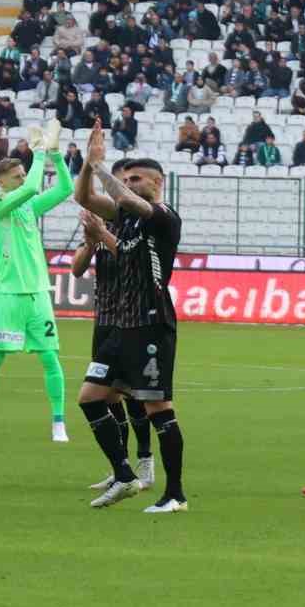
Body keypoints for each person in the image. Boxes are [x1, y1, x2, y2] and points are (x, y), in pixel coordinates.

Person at [71, 128, 188, 512]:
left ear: (157, 182)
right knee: (91, 398)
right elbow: (84, 198)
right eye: (126, 178)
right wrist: (88, 165)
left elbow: (123, 200)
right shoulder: (127, 218)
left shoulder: (164, 217)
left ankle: (175, 494)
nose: (128, 183)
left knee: (158, 409)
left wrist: (100, 165)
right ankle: (124, 475)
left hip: (151, 324)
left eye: (136, 178)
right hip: (121, 327)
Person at [0, 119, 73, 444]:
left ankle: (58, 423)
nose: (23, 180)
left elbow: (66, 189)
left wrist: (55, 155)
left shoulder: (27, 206)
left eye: (24, 174)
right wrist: (38, 154)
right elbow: (30, 189)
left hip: (37, 294)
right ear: (1, 182)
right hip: (7, 294)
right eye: (17, 176)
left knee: (50, 358)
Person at [71, 158, 154, 493]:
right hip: (104, 318)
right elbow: (77, 269)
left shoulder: (135, 225)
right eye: (121, 181)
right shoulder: (101, 221)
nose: (122, 188)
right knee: (107, 398)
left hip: (131, 319)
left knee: (133, 395)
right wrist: (92, 241)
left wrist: (102, 235)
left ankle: (145, 461)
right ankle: (121, 468)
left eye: (128, 182)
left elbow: (133, 261)